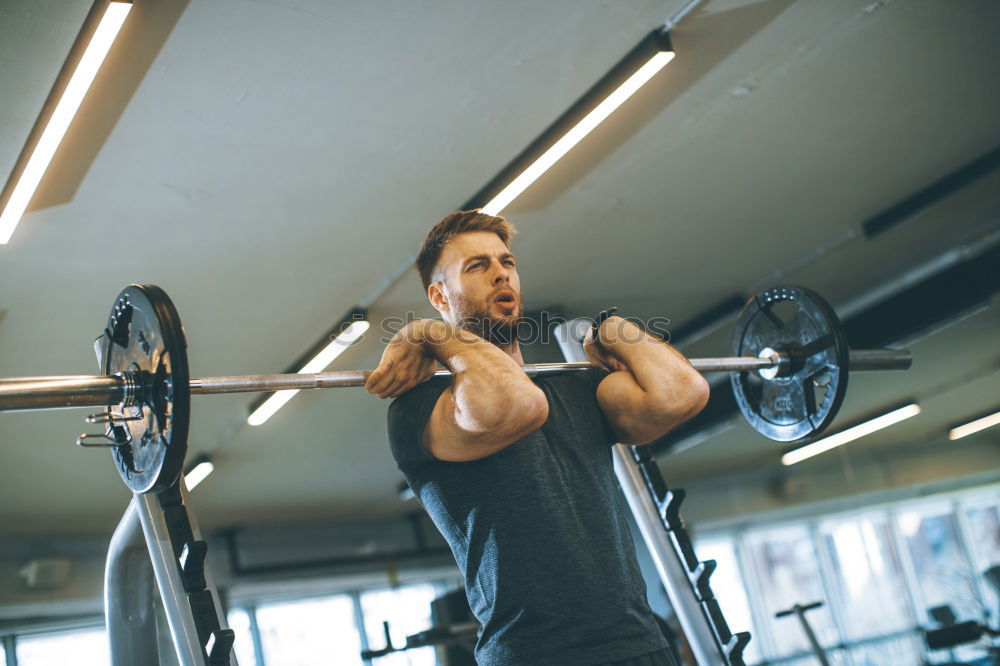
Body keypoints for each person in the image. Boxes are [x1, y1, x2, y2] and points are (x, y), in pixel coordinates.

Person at [364, 209, 709, 665]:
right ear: (439, 295)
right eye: (477, 266)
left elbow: (681, 393)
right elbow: (514, 406)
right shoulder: (419, 410)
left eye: (506, 261)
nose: (500, 273)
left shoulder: (575, 389)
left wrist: (609, 328)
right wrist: (426, 331)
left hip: (641, 645)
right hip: (534, 655)